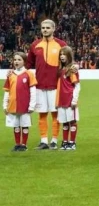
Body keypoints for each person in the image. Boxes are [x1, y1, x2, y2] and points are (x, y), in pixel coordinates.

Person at [27, 19, 67, 150]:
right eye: (43, 28)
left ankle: (54, 140)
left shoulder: (61, 44)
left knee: (55, 114)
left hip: (56, 85)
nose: (45, 30)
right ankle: (43, 141)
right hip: (39, 85)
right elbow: (28, 64)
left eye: (48, 28)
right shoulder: (35, 45)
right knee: (42, 114)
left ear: (53, 29)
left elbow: (68, 62)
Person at [4, 52, 37, 152]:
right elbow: (7, 91)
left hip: (25, 105)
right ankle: (17, 144)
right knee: (16, 125)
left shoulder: (29, 74)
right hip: (13, 105)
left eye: (19, 60)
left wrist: (32, 105)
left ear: (24, 61)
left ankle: (24, 145)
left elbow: (33, 91)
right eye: (15, 60)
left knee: (25, 124)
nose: (16, 62)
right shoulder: (10, 75)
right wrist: (5, 105)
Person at [56, 47, 80, 150]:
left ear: (69, 56)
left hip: (70, 100)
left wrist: (74, 100)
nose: (62, 56)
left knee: (72, 121)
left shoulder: (72, 70)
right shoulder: (61, 70)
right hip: (61, 100)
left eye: (64, 54)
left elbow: (77, 86)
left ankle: (72, 143)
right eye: (61, 54)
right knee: (65, 122)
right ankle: (65, 142)